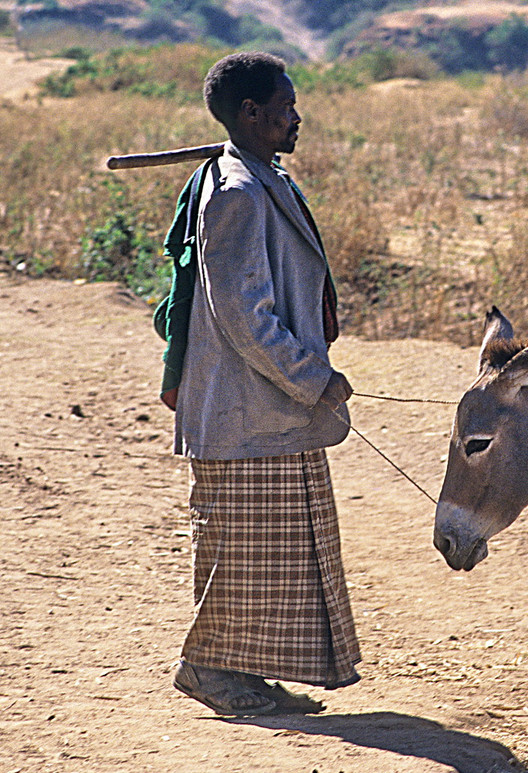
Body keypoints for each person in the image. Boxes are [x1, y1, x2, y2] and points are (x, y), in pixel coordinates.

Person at [167, 52, 360, 716]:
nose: (296, 116)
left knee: (265, 559)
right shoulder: (238, 194)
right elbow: (245, 318)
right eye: (285, 106)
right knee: (237, 560)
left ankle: (239, 674)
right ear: (250, 114)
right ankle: (207, 669)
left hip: (267, 411)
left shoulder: (254, 176)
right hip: (243, 412)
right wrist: (314, 377)